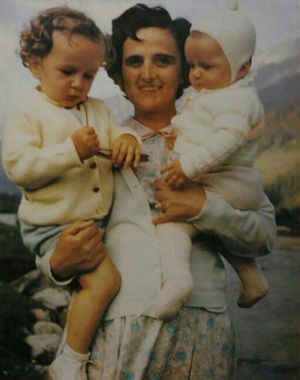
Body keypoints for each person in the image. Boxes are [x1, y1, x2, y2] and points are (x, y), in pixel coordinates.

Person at [33, 4, 276, 379]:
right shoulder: (95, 142)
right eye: (134, 62)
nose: (147, 74)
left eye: (163, 60)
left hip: (203, 336)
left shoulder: (220, 139)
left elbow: (265, 235)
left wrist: (203, 208)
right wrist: (56, 263)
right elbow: (53, 222)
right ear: (118, 71)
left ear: (186, 69)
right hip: (117, 334)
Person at [2, 7, 141, 380]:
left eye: (89, 75)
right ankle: (68, 363)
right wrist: (70, 151)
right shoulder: (27, 112)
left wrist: (127, 139)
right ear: (34, 62)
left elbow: (117, 137)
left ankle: (80, 353)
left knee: (107, 282)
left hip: (90, 223)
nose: (79, 84)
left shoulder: (96, 110)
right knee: (105, 281)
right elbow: (20, 168)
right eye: (68, 72)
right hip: (52, 225)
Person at [142, 1, 269, 320]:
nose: (195, 74)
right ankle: (252, 279)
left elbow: (226, 140)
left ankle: (178, 280)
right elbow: (198, 127)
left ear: (242, 68)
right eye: (192, 65)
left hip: (228, 182)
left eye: (206, 67)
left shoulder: (237, 99)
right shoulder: (215, 94)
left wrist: (188, 165)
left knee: (174, 224)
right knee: (209, 225)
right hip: (227, 186)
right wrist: (178, 136)